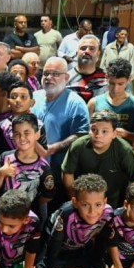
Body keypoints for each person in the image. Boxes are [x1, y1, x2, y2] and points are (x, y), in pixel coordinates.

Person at [31, 56, 91, 212]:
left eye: (55, 74)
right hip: (31, 172)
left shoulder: (75, 103)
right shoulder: (34, 97)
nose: (49, 77)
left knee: (55, 213)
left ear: (66, 77)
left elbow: (82, 135)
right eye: (46, 73)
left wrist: (53, 148)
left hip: (58, 173)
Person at [62, 110, 134, 209]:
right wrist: (75, 201)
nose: (98, 135)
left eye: (104, 131)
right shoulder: (78, 146)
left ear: (114, 133)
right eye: (94, 130)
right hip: (84, 203)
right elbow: (67, 172)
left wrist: (125, 208)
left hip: (114, 204)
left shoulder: (125, 151)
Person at [0, 113, 55, 221]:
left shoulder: (43, 167)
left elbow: (48, 196)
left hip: (28, 218)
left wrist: (32, 203)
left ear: (37, 135)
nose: (22, 138)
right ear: (12, 136)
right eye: (17, 134)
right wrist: (1, 173)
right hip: (4, 215)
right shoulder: (6, 157)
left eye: (27, 133)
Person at [88, 58, 134, 145]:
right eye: (112, 83)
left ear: (129, 80)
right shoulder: (94, 103)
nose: (115, 89)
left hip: (123, 152)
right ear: (106, 77)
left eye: (120, 84)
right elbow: (85, 130)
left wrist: (125, 134)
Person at [66, 34, 107, 104]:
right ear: (77, 53)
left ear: (98, 53)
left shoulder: (106, 78)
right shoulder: (65, 78)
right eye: (83, 48)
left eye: (92, 49)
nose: (87, 51)